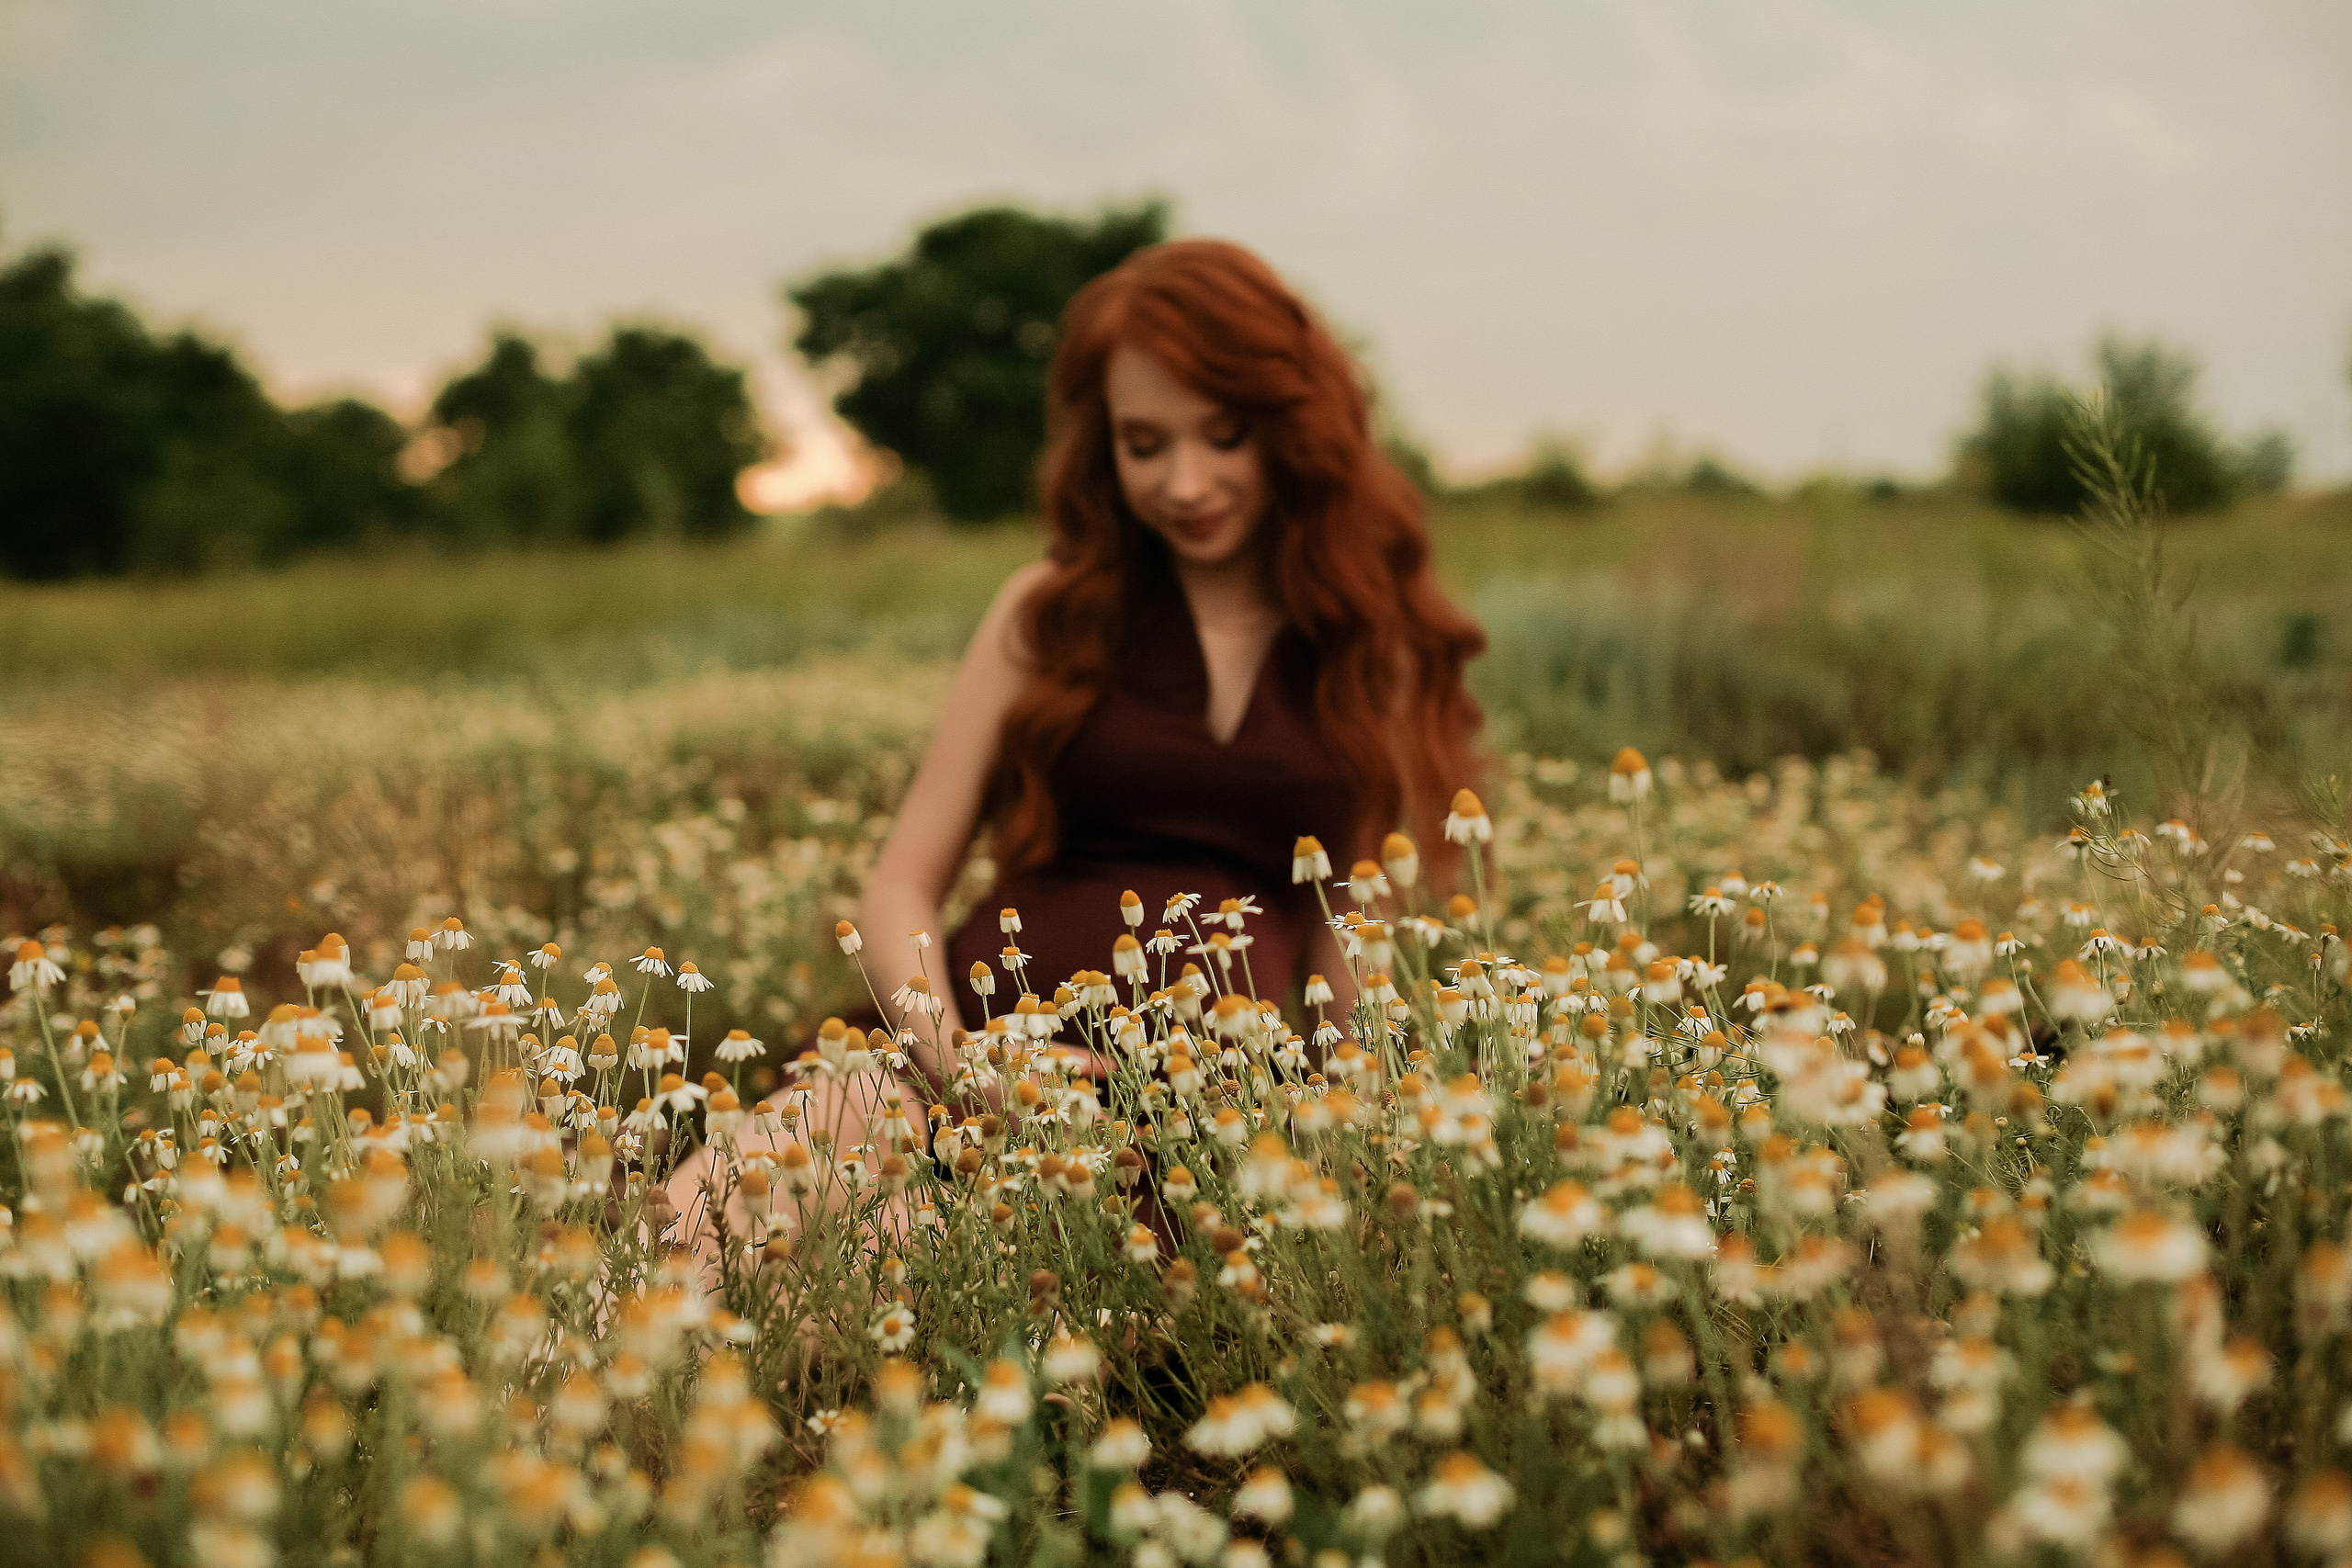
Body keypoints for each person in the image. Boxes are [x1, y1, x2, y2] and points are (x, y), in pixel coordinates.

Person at [664, 238, 1485, 1264]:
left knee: (956, 1310)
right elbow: (899, 887)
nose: (1186, 483)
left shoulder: (1371, 644)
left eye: (1222, 436)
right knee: (694, 1257)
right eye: (1145, 445)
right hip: (955, 1055)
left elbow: (1349, 950)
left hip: (1203, 1128)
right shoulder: (1045, 614)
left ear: (1295, 427)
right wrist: (958, 1068)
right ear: (1105, 449)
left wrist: (1339, 1147)